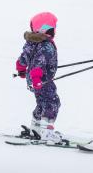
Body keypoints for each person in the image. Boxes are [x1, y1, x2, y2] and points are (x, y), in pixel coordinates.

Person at [15, 11, 62, 143]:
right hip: (42, 80)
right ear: (46, 29)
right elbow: (38, 64)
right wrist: (37, 80)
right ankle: (46, 131)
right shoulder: (46, 46)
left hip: (34, 79)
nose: (55, 31)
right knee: (52, 102)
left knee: (41, 102)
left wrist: (21, 70)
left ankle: (35, 127)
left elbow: (23, 58)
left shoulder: (31, 43)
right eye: (54, 28)